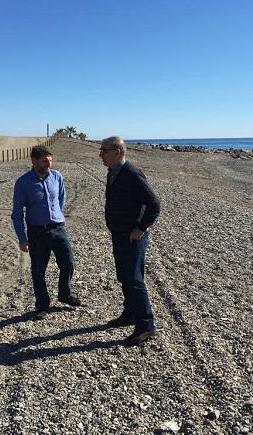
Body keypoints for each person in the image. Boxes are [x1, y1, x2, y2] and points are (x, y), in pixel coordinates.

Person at [99, 136, 160, 347]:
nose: (100, 155)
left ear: (117, 152)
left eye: (104, 151)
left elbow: (153, 204)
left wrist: (140, 228)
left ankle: (146, 323)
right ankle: (131, 312)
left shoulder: (132, 173)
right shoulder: (113, 172)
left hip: (133, 236)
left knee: (134, 278)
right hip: (119, 233)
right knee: (123, 275)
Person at [11, 144, 81, 320]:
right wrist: (22, 238)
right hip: (37, 232)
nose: (48, 164)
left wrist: (56, 215)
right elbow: (17, 214)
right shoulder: (23, 183)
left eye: (50, 160)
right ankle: (42, 305)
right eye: (44, 161)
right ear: (34, 161)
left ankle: (65, 294)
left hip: (58, 228)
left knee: (68, 263)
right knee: (38, 271)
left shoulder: (57, 177)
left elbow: (61, 199)